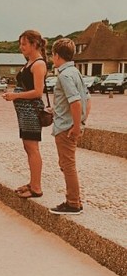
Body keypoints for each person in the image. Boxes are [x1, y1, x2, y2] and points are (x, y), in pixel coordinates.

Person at [2, 29, 47, 198]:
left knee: (32, 148)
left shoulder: (38, 64)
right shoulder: (29, 62)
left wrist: (16, 95)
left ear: (34, 44)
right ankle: (32, 182)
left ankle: (36, 187)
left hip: (31, 112)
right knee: (28, 147)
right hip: (24, 112)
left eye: (24, 44)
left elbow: (38, 92)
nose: (21, 47)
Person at [49, 38, 91, 215]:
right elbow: (87, 100)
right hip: (71, 124)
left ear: (57, 55)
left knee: (67, 164)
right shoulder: (75, 72)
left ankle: (73, 203)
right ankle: (75, 199)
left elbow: (75, 102)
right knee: (66, 163)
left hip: (65, 128)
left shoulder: (64, 75)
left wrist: (74, 126)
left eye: (52, 55)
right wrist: (82, 122)